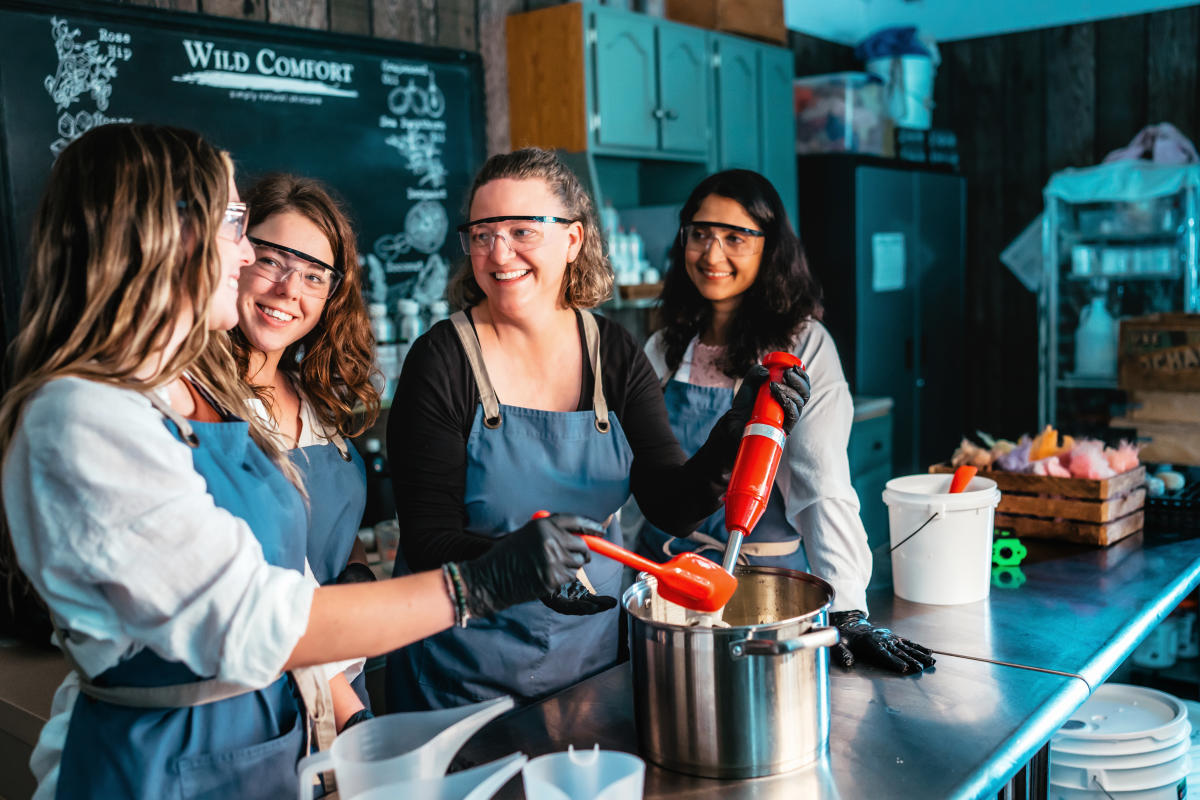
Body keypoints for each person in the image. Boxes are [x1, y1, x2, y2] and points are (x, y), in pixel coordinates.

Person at [0, 123, 602, 800]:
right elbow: (258, 620)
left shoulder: (195, 394)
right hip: (157, 764)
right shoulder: (85, 414)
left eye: (314, 274)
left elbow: (287, 574)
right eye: (236, 226)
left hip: (263, 745)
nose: (244, 254)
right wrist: (480, 584)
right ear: (162, 234)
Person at [385, 147, 809, 711]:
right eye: (482, 234)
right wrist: (520, 566)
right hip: (464, 673)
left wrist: (733, 433)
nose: (499, 253)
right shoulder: (441, 360)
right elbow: (427, 539)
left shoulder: (612, 352)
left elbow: (670, 504)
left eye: (521, 231)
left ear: (573, 239)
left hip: (590, 667)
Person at [636, 168, 935, 674]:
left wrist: (847, 608)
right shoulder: (664, 346)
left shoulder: (801, 346)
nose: (711, 254)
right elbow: (637, 479)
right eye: (700, 233)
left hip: (763, 593)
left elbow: (822, 484)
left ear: (769, 248)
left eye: (735, 237)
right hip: (665, 584)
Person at [231, 174, 377, 717]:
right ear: (234, 257)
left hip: (342, 670)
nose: (289, 290)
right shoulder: (205, 406)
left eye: (314, 276)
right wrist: (353, 720)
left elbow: (335, 525)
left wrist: (358, 573)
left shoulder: (313, 397)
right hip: (266, 693)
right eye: (272, 260)